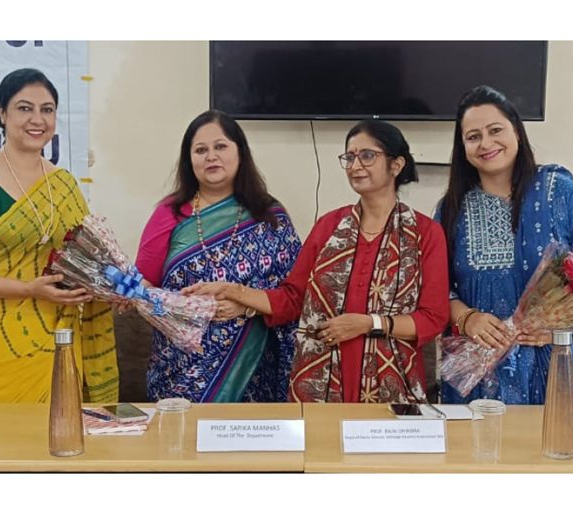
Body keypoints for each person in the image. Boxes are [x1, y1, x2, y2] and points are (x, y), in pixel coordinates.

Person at [186, 120, 449, 403]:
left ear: (396, 165)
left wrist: (368, 323)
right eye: (349, 157)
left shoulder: (424, 232)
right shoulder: (329, 226)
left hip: (392, 386)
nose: (355, 165)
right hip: (320, 383)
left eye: (367, 155)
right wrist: (232, 290)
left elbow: (432, 318)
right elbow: (292, 299)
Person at [0, 68, 118, 403]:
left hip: (58, 343)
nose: (38, 119)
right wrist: (27, 289)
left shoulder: (64, 185)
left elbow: (86, 263)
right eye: (24, 108)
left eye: (47, 109)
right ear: (2, 113)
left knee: (58, 444)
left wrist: (112, 287)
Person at [437, 85, 573, 405]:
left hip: (554, 362)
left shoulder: (558, 190)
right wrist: (466, 317)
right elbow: (436, 287)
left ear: (516, 131)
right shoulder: (451, 209)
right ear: (462, 147)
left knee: (556, 449)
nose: (486, 143)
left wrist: (558, 327)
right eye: (473, 136)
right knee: (479, 452)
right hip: (479, 372)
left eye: (495, 130)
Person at [136, 110, 301, 403]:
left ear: (240, 152)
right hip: (181, 367)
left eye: (220, 146)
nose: (211, 156)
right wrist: (186, 309)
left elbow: (293, 297)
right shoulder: (169, 213)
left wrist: (246, 305)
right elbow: (141, 287)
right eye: (200, 150)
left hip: (253, 368)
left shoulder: (270, 215)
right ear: (190, 160)